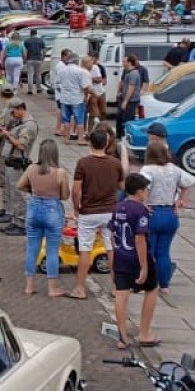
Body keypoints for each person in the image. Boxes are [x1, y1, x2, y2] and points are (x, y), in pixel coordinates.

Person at [70, 128, 123, 301]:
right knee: (111, 247)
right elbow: (122, 186)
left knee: (85, 248)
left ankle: (80, 288)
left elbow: (76, 190)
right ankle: (116, 287)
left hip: (89, 212)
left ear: (90, 142)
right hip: (110, 211)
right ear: (107, 143)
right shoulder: (115, 163)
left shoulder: (83, 163)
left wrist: (77, 207)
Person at [108, 172, 158, 349]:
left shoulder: (118, 207)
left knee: (121, 294)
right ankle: (144, 333)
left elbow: (113, 234)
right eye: (146, 190)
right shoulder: (141, 211)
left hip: (121, 256)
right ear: (139, 192)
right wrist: (144, 266)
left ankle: (122, 337)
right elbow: (140, 238)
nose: (147, 193)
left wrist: (114, 257)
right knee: (152, 289)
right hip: (136, 258)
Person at [17, 139, 71, 297]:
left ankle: (28, 286)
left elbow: (19, 185)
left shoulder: (31, 168)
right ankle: (52, 288)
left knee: (32, 248)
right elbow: (65, 196)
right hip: (52, 210)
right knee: (52, 250)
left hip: (33, 208)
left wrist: (33, 191)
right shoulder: (60, 173)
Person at [139, 140, 192, 293]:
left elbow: (144, 187)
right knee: (163, 252)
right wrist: (181, 201)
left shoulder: (148, 169)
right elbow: (188, 183)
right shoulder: (174, 169)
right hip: (170, 213)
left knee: (150, 251)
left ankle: (149, 282)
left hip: (153, 213)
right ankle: (164, 284)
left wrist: (144, 203)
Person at [0, 101, 38, 237]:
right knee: (12, 192)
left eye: (13, 112)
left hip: (18, 162)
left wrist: (7, 135)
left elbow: (21, 145)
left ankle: (22, 223)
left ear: (20, 109)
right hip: (11, 161)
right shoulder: (20, 123)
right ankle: (15, 220)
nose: (12, 115)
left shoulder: (29, 125)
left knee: (18, 193)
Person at [115, 55, 148, 136]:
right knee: (120, 118)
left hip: (130, 101)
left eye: (124, 62)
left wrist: (125, 101)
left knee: (127, 120)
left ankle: (124, 137)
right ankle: (119, 135)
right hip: (124, 99)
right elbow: (122, 82)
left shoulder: (133, 73)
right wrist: (119, 93)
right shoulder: (126, 72)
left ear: (129, 63)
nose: (123, 63)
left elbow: (131, 88)